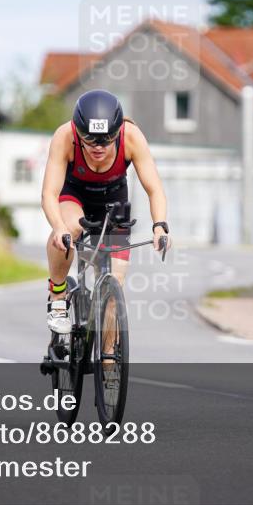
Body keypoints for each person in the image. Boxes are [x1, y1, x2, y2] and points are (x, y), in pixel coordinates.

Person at [41, 89, 169, 333]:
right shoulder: (64, 136)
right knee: (71, 229)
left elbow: (155, 189)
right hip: (74, 195)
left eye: (106, 139)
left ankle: (109, 365)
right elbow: (48, 193)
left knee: (114, 288)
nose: (98, 147)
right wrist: (58, 227)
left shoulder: (131, 137)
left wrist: (160, 225)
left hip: (113, 200)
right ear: (77, 131)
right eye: (89, 139)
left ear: (117, 132)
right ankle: (58, 297)